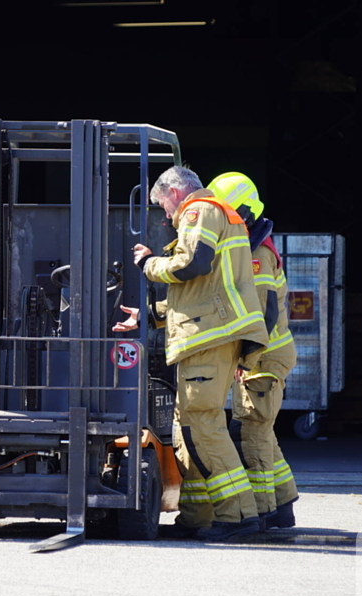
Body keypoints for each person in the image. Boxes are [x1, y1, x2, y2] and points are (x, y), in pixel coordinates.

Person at [113, 166, 269, 541]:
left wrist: (149, 264)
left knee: (203, 424)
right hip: (209, 336)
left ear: (174, 192)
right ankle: (197, 515)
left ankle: (238, 515)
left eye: (163, 206)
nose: (166, 216)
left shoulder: (200, 210)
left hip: (209, 339)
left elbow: (193, 263)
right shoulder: (217, 216)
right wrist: (149, 315)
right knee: (189, 428)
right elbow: (202, 289)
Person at [208, 172, 299, 528]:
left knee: (252, 433)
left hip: (264, 357)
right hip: (267, 355)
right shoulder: (253, 246)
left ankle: (263, 511)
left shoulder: (257, 252)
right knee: (263, 430)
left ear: (244, 213)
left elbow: (264, 312)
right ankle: (284, 505)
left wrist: (246, 359)